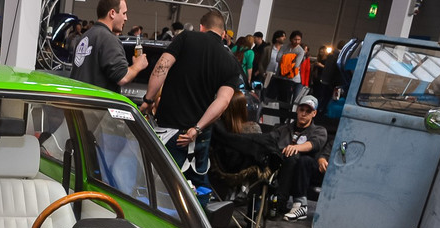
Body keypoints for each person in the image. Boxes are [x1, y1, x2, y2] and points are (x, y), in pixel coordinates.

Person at [138, 9, 242, 186]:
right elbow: (223, 101)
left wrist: (149, 100)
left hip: (169, 129)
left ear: (201, 27)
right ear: (223, 34)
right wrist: (197, 128)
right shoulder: (231, 62)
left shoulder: (186, 37)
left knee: (158, 185)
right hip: (198, 135)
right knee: (195, 187)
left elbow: (162, 66)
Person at [69, 0, 147, 93]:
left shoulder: (84, 37)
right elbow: (123, 77)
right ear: (112, 13)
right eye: (124, 13)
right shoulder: (108, 39)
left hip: (79, 98)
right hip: (97, 100)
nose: (126, 18)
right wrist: (138, 65)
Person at [270, 95, 326, 221]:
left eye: (308, 111)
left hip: (308, 171)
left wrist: (296, 147)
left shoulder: (319, 130)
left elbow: (314, 144)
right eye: (302, 110)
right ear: (297, 110)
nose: (304, 114)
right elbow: (269, 140)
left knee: (301, 159)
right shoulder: (283, 129)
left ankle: (299, 204)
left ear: (314, 113)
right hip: (284, 167)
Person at [275, 30, 305, 104]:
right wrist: (291, 58)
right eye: (295, 39)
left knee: (289, 100)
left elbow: (296, 65)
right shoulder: (284, 47)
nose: (297, 41)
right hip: (281, 76)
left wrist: (285, 58)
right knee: (280, 98)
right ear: (291, 39)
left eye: (299, 40)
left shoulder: (301, 51)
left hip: (293, 78)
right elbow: (278, 58)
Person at [259, 30, 286, 98]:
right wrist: (263, 73)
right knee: (265, 92)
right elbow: (261, 62)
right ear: (277, 38)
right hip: (268, 74)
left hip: (278, 76)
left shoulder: (285, 50)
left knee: (274, 94)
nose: (284, 38)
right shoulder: (268, 49)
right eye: (282, 36)